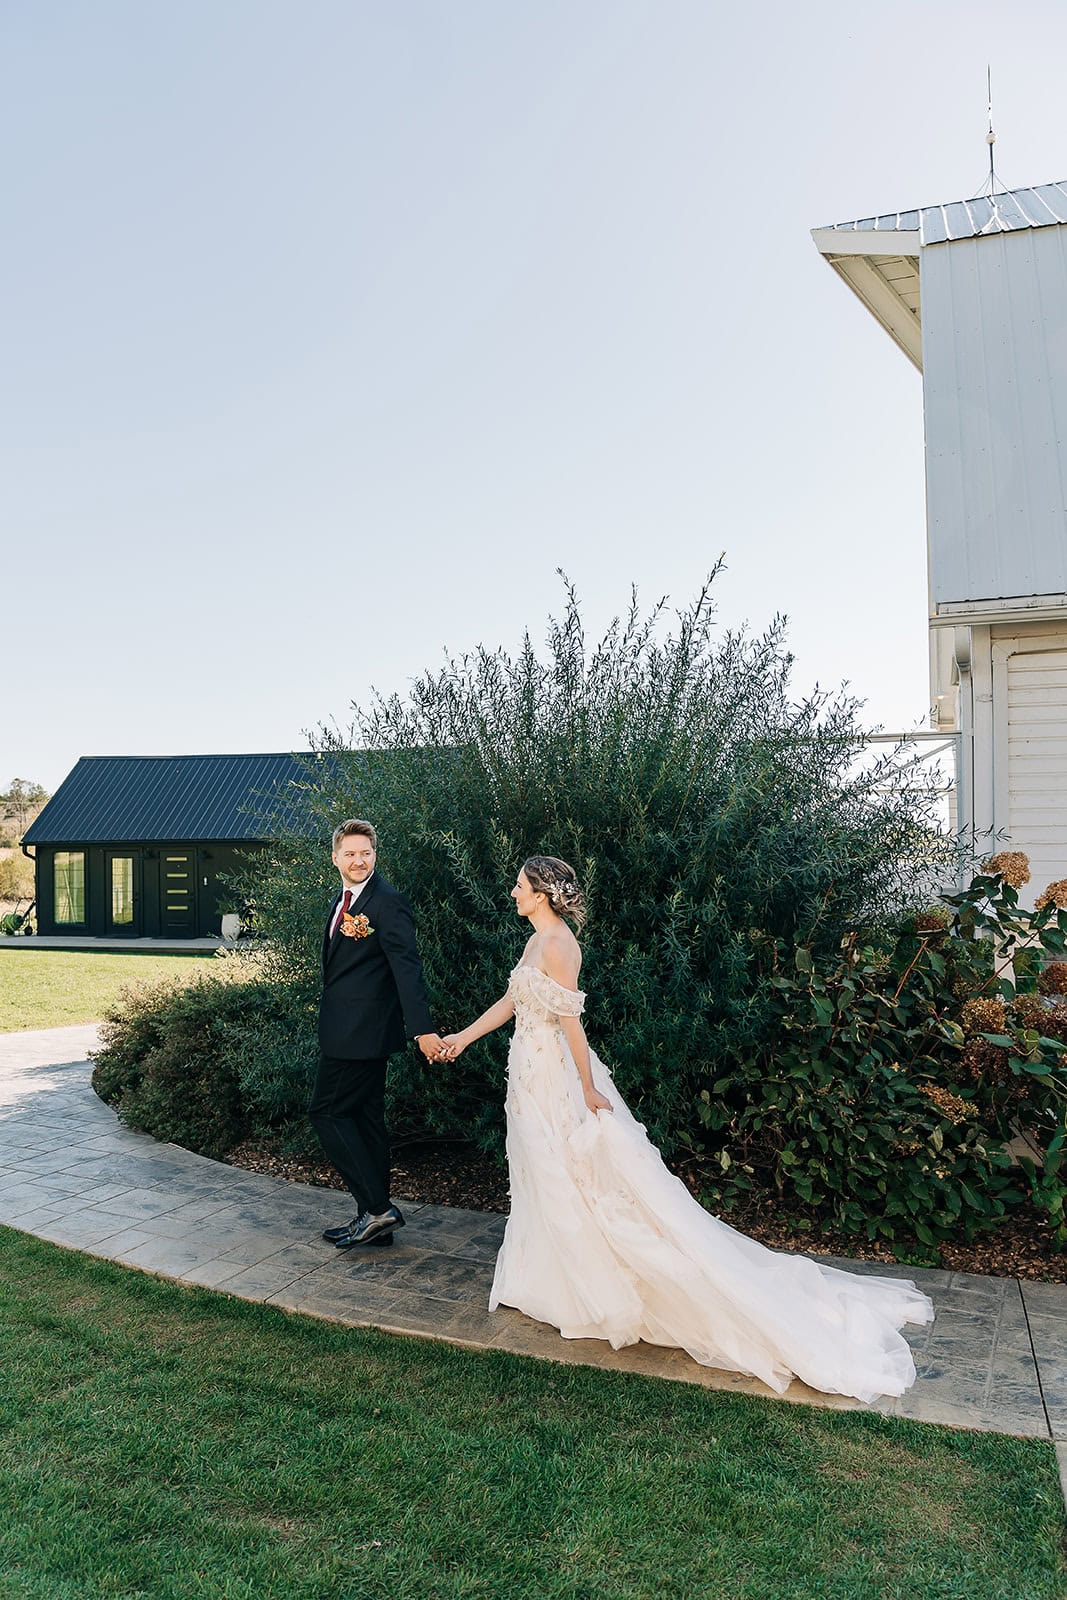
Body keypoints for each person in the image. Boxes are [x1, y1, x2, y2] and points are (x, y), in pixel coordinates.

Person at [440, 854, 934, 1403]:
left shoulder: (560, 946)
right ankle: (546, 1280)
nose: (512, 892)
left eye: (519, 886)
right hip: (527, 1077)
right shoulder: (535, 941)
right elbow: (514, 1001)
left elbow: (571, 1024)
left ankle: (594, 1291)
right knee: (541, 1174)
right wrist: (462, 1038)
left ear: (542, 894)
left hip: (556, 1079)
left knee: (577, 1178)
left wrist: (585, 1088)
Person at [311, 819, 448, 1249]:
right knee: (366, 1120)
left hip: (360, 1035)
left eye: (365, 853)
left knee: (327, 1112)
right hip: (351, 1030)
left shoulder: (387, 902)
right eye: (350, 853)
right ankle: (373, 1223)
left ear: (375, 855)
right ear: (335, 857)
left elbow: (407, 971)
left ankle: (376, 1209)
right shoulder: (345, 898)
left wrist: (422, 1029)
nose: (358, 860)